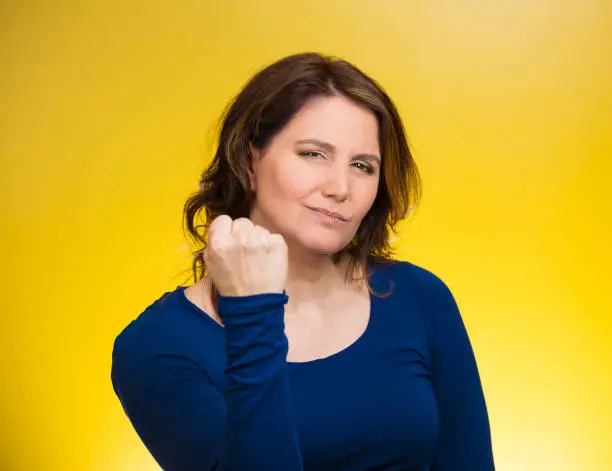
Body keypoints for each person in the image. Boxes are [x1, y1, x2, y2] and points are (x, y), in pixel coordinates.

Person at [111, 52, 495, 471]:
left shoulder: (420, 299)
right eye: (313, 154)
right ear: (248, 159)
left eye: (363, 166)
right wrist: (253, 312)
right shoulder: (156, 348)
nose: (340, 187)